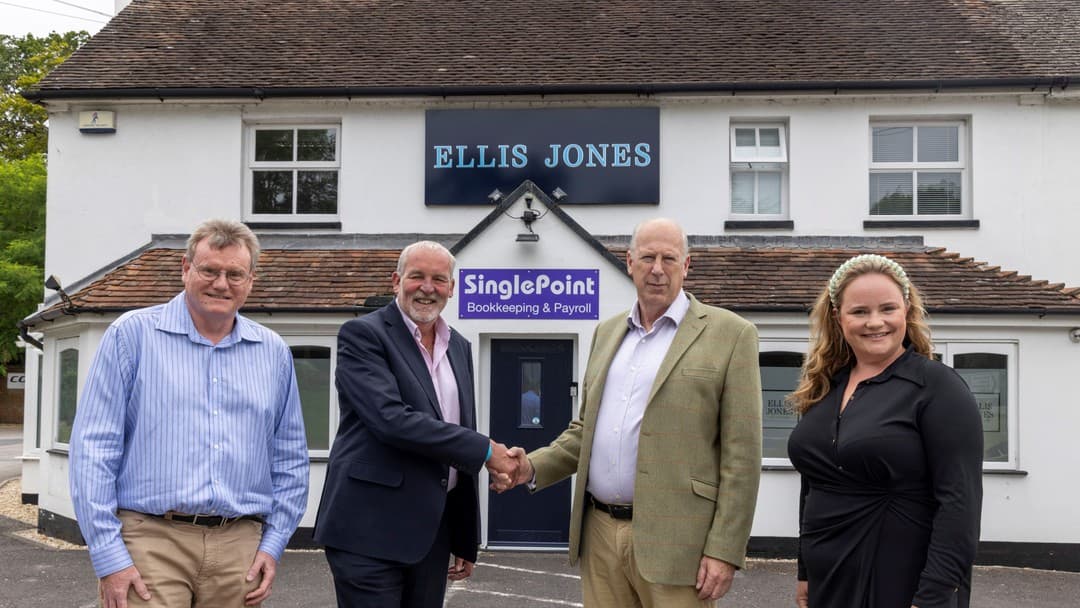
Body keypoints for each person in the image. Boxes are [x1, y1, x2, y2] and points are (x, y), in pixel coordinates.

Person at [505, 218, 763, 607]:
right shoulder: (607, 333)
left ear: (686, 266)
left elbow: (742, 455)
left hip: (680, 543)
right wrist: (531, 466)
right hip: (600, 536)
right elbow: (585, 430)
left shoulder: (732, 334)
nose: (657, 269)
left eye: (669, 259)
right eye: (647, 257)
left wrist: (725, 549)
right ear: (629, 262)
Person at [69, 219, 309, 608]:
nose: (221, 284)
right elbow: (94, 448)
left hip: (240, 546)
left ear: (250, 281)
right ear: (186, 269)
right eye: (209, 270)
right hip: (149, 539)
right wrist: (108, 555)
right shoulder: (132, 336)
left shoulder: (273, 352)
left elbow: (290, 457)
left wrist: (274, 542)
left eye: (235, 274)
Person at [313, 240, 520, 608]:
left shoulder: (459, 346)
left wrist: (464, 536)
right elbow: (391, 420)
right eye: (417, 276)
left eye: (439, 279)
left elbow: (456, 430)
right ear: (396, 281)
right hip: (368, 531)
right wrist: (487, 450)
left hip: (431, 535)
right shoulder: (363, 335)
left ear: (451, 288)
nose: (427, 288)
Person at [786, 254, 983, 608]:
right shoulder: (823, 388)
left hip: (901, 581)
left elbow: (960, 504)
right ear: (838, 317)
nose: (875, 322)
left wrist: (932, 597)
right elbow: (813, 486)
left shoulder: (937, 387)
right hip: (829, 581)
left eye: (887, 309)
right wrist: (805, 571)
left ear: (906, 310)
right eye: (860, 311)